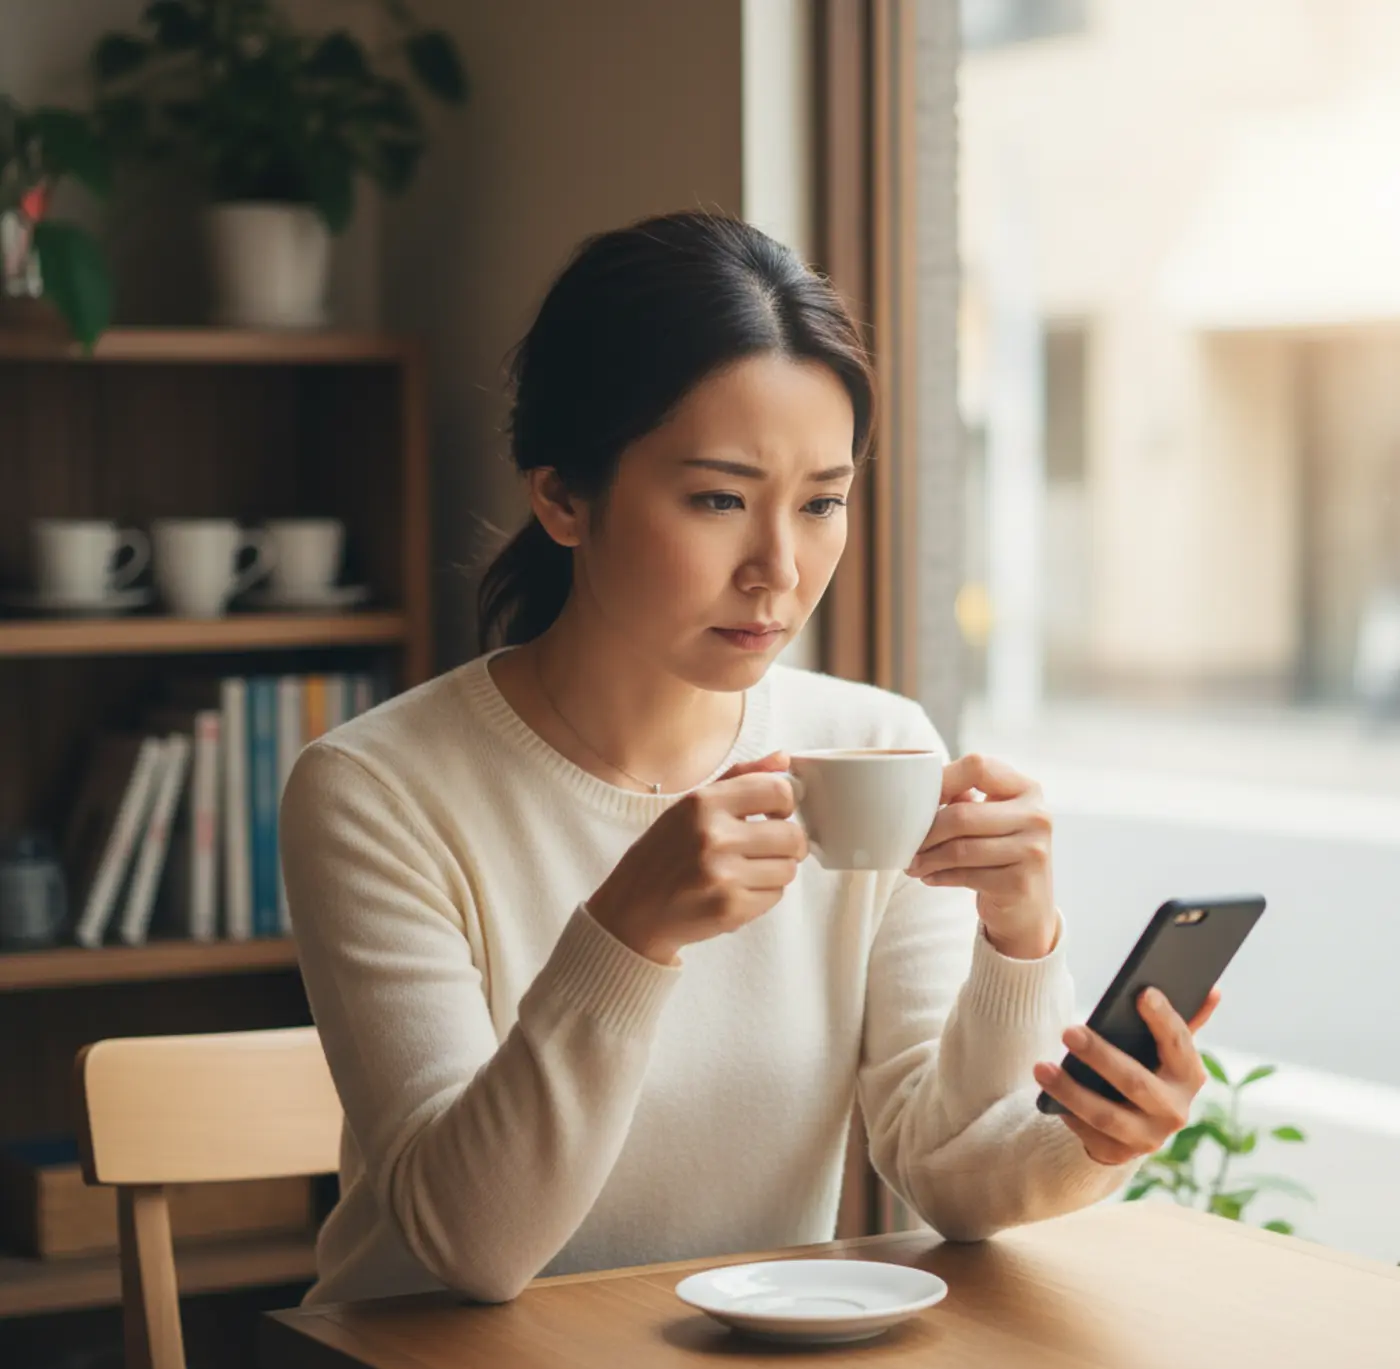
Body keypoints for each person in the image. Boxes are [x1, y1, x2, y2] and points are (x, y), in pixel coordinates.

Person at [280, 210, 1220, 1310]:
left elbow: (950, 1175)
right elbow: (473, 1245)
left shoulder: (875, 751)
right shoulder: (375, 791)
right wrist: (625, 932)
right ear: (562, 497)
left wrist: (1033, 984)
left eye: (821, 501)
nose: (778, 569)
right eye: (718, 498)